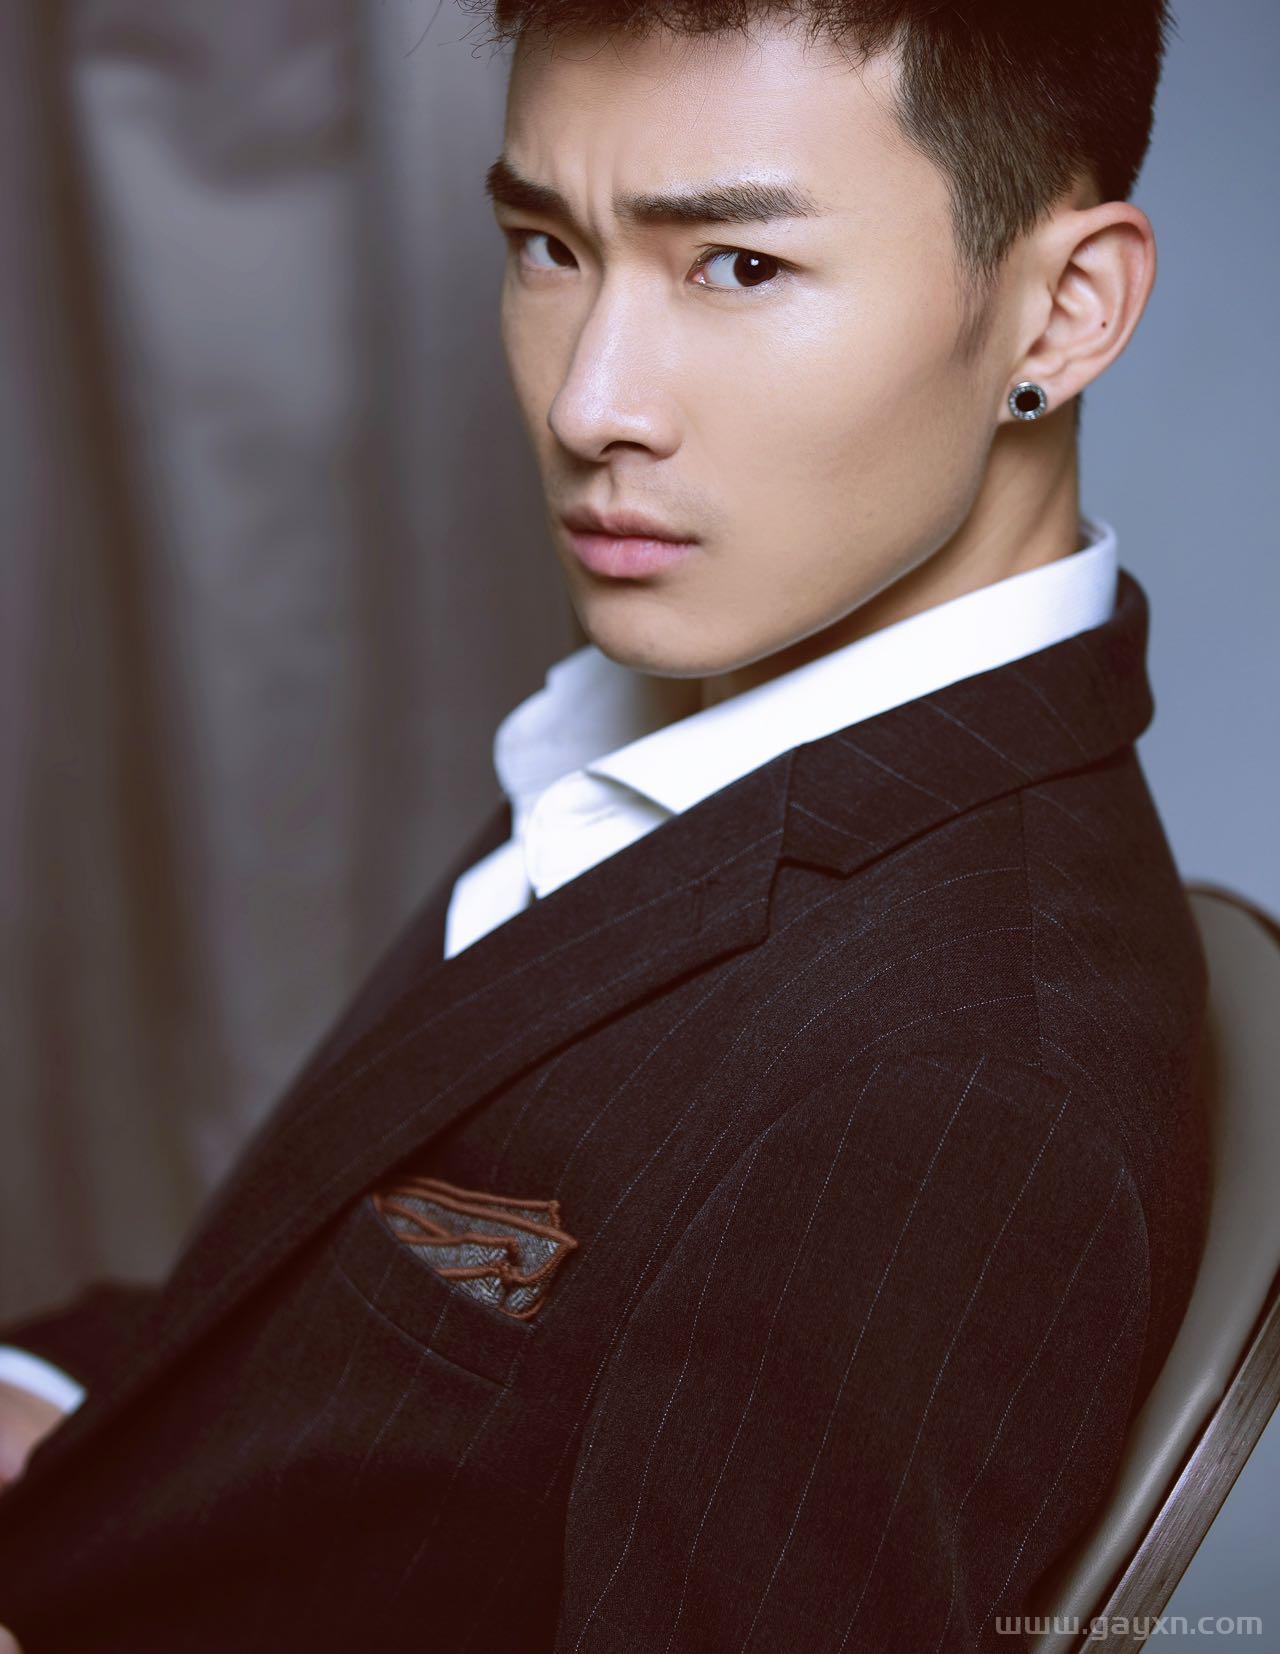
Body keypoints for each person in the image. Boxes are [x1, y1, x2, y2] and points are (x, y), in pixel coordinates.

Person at [0, 2, 1210, 1649]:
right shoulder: (698, 742)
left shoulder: (949, 1083)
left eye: (738, 267)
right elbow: (357, 1371)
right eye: (548, 246)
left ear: (1065, 311)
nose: (590, 403)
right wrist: (47, 1392)